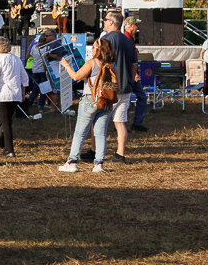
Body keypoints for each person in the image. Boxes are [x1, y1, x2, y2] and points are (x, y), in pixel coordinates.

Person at [58, 37, 117, 173]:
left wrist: (66, 65)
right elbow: (115, 83)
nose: (92, 49)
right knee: (100, 133)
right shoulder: (112, 64)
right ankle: (99, 164)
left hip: (90, 100)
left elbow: (76, 76)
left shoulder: (92, 63)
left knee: (80, 132)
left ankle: (72, 162)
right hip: (106, 102)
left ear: (98, 50)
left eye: (94, 47)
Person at [99, 11, 136, 164]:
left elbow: (100, 63)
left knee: (99, 121)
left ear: (111, 22)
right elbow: (134, 66)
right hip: (126, 85)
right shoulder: (129, 40)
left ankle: (96, 153)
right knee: (120, 122)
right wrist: (131, 82)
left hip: (109, 85)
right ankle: (120, 155)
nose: (103, 22)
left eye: (105, 19)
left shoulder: (106, 39)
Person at [0, 36, 27, 157]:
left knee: (5, 122)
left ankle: (9, 149)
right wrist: (22, 91)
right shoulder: (16, 58)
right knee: (7, 120)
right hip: (15, 93)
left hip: (2, 93)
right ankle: (3, 145)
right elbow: (24, 77)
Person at [122, 16, 149, 133]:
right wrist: (134, 73)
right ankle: (123, 124)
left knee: (135, 98)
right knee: (127, 99)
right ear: (131, 26)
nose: (137, 27)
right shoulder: (126, 39)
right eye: (136, 25)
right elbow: (128, 59)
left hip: (130, 74)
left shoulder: (129, 38)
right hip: (129, 74)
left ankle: (133, 124)